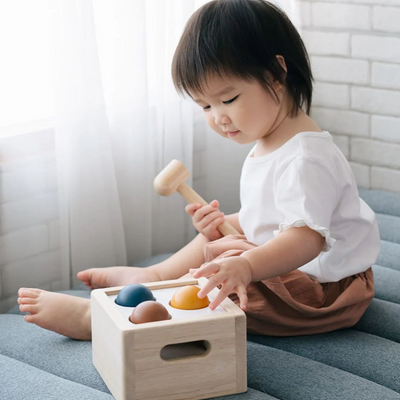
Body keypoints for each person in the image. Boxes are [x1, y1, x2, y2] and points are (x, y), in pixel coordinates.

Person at [18, 0, 380, 341]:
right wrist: (227, 227)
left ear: (276, 74)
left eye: (228, 99)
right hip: (301, 271)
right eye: (204, 105)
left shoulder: (305, 158)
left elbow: (306, 239)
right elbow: (271, 218)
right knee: (222, 235)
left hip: (324, 293)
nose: (218, 117)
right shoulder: (273, 139)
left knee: (225, 266)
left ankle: (105, 321)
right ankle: (156, 276)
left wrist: (246, 265)